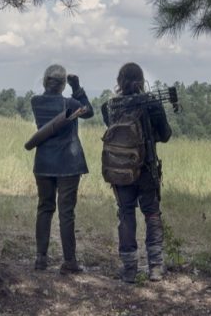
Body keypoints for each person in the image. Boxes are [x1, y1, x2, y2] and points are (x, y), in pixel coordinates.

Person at [101, 62, 172, 283]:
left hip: (120, 171)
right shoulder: (151, 104)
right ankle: (155, 267)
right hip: (147, 169)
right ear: (141, 81)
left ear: (119, 81)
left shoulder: (111, 107)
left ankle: (130, 268)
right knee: (151, 214)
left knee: (126, 214)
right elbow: (166, 135)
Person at [30, 64, 94, 274]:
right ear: (63, 84)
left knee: (44, 208)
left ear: (45, 81)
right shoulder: (71, 103)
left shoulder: (36, 102)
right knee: (66, 213)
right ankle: (69, 261)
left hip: (44, 163)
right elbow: (89, 112)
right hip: (69, 163)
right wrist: (77, 88)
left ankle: (41, 258)